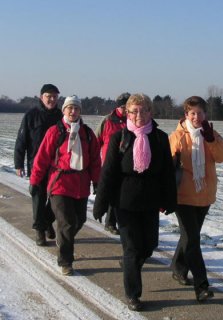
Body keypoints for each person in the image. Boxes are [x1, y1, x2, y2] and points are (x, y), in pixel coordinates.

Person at [93, 93, 176, 311]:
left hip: (150, 201)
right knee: (131, 248)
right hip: (125, 201)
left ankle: (132, 266)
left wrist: (170, 199)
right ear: (128, 113)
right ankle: (133, 295)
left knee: (149, 246)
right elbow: (109, 172)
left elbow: (167, 172)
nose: (139, 115)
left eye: (143, 110)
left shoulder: (159, 138)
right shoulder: (119, 138)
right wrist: (100, 203)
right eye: (134, 111)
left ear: (150, 112)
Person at [169, 96, 223, 302]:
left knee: (190, 236)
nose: (197, 117)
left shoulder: (210, 133)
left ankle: (178, 267)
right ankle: (202, 285)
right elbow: (167, 164)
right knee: (193, 240)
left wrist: (212, 139)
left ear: (205, 114)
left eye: (200, 113)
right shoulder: (178, 136)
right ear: (186, 115)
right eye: (192, 113)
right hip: (183, 196)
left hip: (204, 194)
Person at [29, 95, 101, 276]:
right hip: (60, 184)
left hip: (81, 185)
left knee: (79, 220)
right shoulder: (55, 131)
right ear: (64, 110)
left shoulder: (88, 134)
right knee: (67, 223)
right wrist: (35, 181)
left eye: (76, 108)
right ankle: (66, 261)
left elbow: (94, 161)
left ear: (80, 111)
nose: (73, 111)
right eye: (69, 108)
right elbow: (42, 158)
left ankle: (62, 239)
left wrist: (97, 182)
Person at [14, 84, 63, 246]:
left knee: (57, 199)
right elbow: (21, 140)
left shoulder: (62, 116)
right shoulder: (31, 115)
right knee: (38, 198)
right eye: (49, 96)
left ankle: (47, 221)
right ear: (41, 97)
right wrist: (18, 163)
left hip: (57, 166)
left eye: (55, 96)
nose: (52, 99)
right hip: (37, 165)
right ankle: (39, 231)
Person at [95, 92, 130, 235]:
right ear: (118, 107)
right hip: (109, 163)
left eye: (128, 107)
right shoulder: (108, 121)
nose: (125, 110)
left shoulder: (133, 120)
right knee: (110, 192)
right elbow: (97, 141)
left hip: (126, 165)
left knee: (121, 193)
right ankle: (109, 222)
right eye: (123, 107)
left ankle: (116, 221)